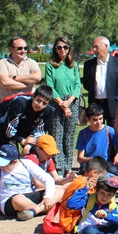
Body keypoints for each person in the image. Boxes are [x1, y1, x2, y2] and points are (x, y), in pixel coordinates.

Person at [0, 143, 58, 221]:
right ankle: (44, 209)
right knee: (18, 199)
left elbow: (48, 179)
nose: (1, 166)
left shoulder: (26, 164)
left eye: (4, 164)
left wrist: (47, 198)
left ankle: (34, 211)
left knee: (58, 189)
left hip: (27, 195)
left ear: (15, 161)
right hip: (9, 201)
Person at [44, 36, 81, 175]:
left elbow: (78, 85)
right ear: (55, 49)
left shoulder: (74, 65)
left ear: (69, 48)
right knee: (56, 136)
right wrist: (62, 105)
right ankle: (58, 167)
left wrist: (69, 102)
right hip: (56, 103)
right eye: (59, 47)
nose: (62, 50)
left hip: (72, 101)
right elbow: (50, 86)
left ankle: (68, 167)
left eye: (65, 47)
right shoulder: (50, 65)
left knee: (69, 137)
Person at [82, 36, 118, 126]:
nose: (94, 50)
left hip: (113, 105)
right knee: (97, 133)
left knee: (114, 133)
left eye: (97, 47)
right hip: (96, 104)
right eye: (93, 47)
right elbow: (86, 85)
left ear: (106, 46)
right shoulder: (89, 65)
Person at [56, 156, 109, 234]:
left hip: (72, 218)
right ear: (94, 173)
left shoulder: (81, 180)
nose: (100, 180)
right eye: (100, 177)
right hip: (71, 222)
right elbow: (86, 202)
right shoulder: (82, 184)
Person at [76, 104, 118, 174]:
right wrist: (96, 160)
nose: (99, 122)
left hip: (105, 163)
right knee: (84, 170)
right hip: (90, 163)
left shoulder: (109, 130)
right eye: (95, 120)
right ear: (88, 119)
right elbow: (80, 158)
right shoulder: (83, 133)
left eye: (101, 119)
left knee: (114, 171)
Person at [0, 36, 42, 101]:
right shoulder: (3, 63)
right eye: (19, 48)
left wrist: (14, 78)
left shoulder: (32, 63)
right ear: (11, 49)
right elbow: (5, 82)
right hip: (7, 103)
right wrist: (28, 84)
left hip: (28, 102)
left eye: (25, 48)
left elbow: (37, 77)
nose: (23, 51)